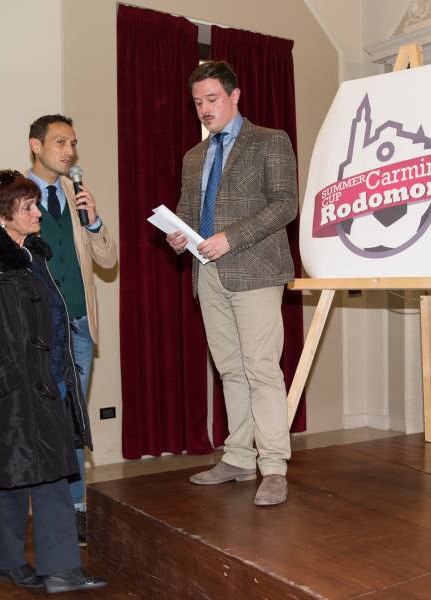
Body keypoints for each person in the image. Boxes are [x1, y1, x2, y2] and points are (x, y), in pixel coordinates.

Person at [0, 170, 106, 593]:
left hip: (47, 383)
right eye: (28, 207)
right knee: (13, 477)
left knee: (48, 474)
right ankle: (25, 563)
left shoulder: (33, 256)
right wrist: (10, 375)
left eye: (36, 204)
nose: (38, 213)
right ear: (2, 216)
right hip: (9, 390)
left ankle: (50, 567)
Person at [166, 61, 298, 506]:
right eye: (197, 103)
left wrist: (231, 237)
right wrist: (178, 235)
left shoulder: (270, 141)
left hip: (255, 271)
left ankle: (274, 466)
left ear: (235, 96)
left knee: (262, 369)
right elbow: (187, 211)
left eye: (212, 99)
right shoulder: (194, 156)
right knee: (229, 369)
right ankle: (239, 457)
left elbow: (286, 204)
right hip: (207, 272)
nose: (204, 109)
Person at [27, 114, 117, 543]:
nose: (69, 151)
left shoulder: (75, 194)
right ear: (36, 145)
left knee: (72, 419)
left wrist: (94, 221)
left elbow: (108, 260)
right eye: (60, 142)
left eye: (73, 143)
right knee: (42, 419)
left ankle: (76, 507)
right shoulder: (17, 194)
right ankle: (45, 506)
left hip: (79, 325)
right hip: (40, 330)